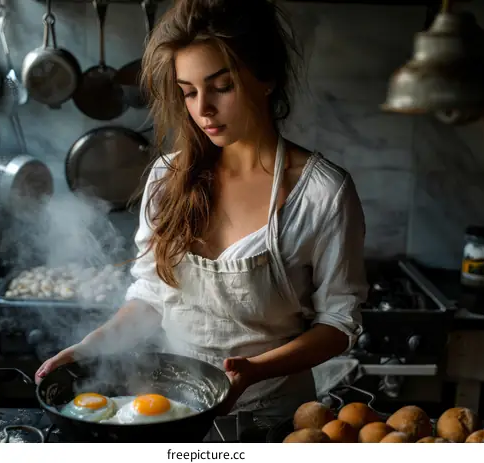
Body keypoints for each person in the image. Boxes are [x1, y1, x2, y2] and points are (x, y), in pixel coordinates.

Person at [35, 0, 368, 417]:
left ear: (265, 77)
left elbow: (339, 323)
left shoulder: (320, 193)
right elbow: (152, 297)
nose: (202, 109)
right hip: (177, 412)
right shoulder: (167, 178)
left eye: (221, 87)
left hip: (273, 418)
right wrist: (89, 348)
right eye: (188, 92)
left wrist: (254, 370)